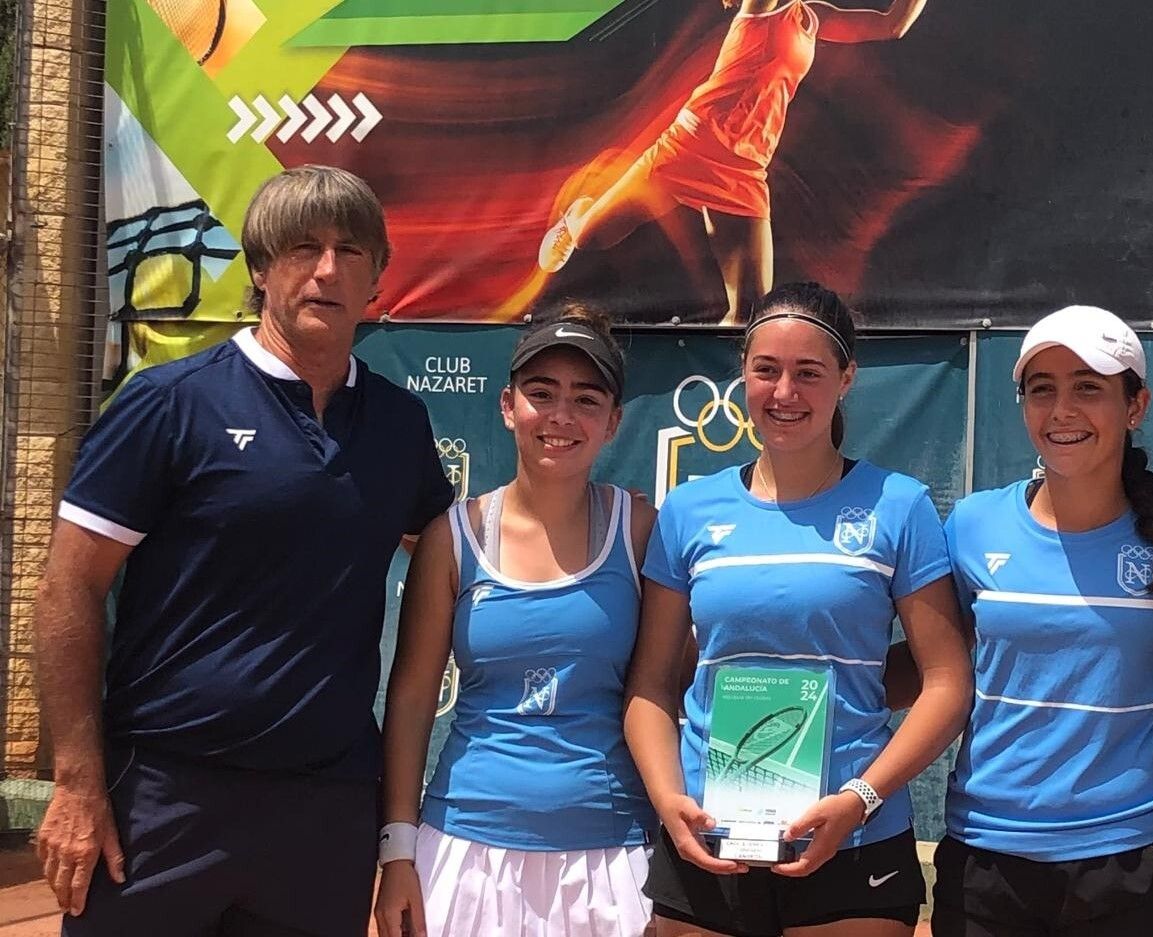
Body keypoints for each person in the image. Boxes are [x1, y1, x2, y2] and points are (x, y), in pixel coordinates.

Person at [33, 165, 455, 934]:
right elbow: (68, 587)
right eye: (302, 247)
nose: (327, 268)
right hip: (160, 800)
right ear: (261, 270)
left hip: (325, 813)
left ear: (377, 280)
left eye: (351, 251)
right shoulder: (170, 403)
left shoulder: (399, 425)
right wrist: (76, 780)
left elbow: (452, 557)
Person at [624, 282, 972, 935]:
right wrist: (670, 799)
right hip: (709, 834)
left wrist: (859, 798)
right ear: (743, 377)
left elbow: (948, 684)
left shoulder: (899, 505)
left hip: (855, 837)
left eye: (808, 373)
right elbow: (650, 683)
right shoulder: (688, 511)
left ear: (846, 379)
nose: (785, 392)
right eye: (767, 370)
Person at [374, 306, 657, 937]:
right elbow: (414, 698)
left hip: (611, 855)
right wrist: (397, 849)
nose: (561, 417)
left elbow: (668, 686)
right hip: (465, 850)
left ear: (613, 422)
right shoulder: (452, 537)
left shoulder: (639, 531)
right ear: (507, 406)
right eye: (541, 393)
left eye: (586, 400)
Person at [931, 306, 1153, 937]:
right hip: (985, 854)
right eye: (1042, 390)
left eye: (1089, 387)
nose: (1062, 410)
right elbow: (932, 673)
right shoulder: (973, 525)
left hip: (1129, 858)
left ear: (1135, 406)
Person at [538, 1, 931, 324]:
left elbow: (892, 24)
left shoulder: (811, 16)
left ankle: (724, 392)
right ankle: (577, 218)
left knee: (750, 313)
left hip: (745, 170)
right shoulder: (763, 7)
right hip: (693, 145)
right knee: (592, 237)